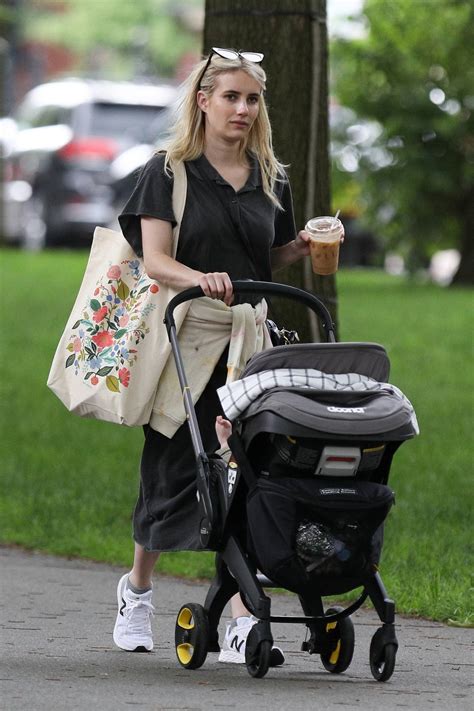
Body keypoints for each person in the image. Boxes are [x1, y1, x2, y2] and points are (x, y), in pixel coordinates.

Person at [112, 46, 324, 663]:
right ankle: (138, 591)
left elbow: (266, 256)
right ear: (203, 101)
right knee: (176, 462)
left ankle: (236, 611)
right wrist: (198, 276)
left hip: (247, 341)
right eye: (230, 96)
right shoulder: (169, 171)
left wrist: (302, 246)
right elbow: (155, 259)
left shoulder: (270, 176)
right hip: (190, 336)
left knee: (247, 467)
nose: (242, 109)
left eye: (251, 99)